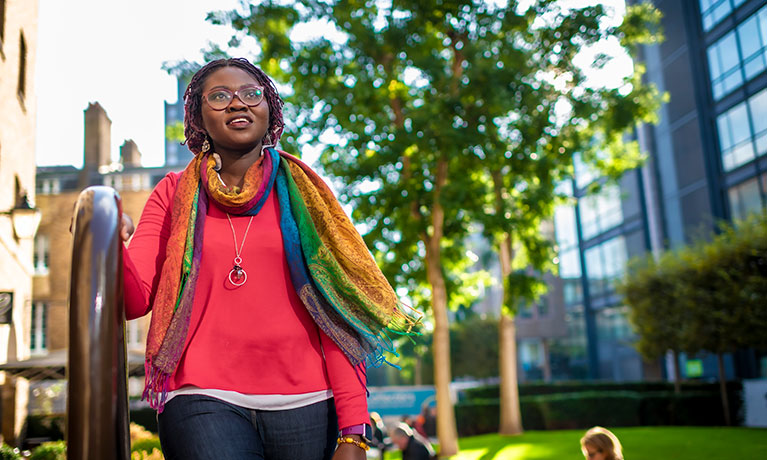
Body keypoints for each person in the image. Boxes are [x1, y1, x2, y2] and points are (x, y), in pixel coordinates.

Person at [120, 57, 419, 460]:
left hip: (310, 404)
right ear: (198, 118)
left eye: (251, 94)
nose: (238, 104)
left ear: (268, 109)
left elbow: (336, 317)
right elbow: (133, 300)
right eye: (220, 96)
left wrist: (353, 432)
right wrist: (108, 243)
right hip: (201, 396)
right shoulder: (173, 193)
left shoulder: (304, 194)